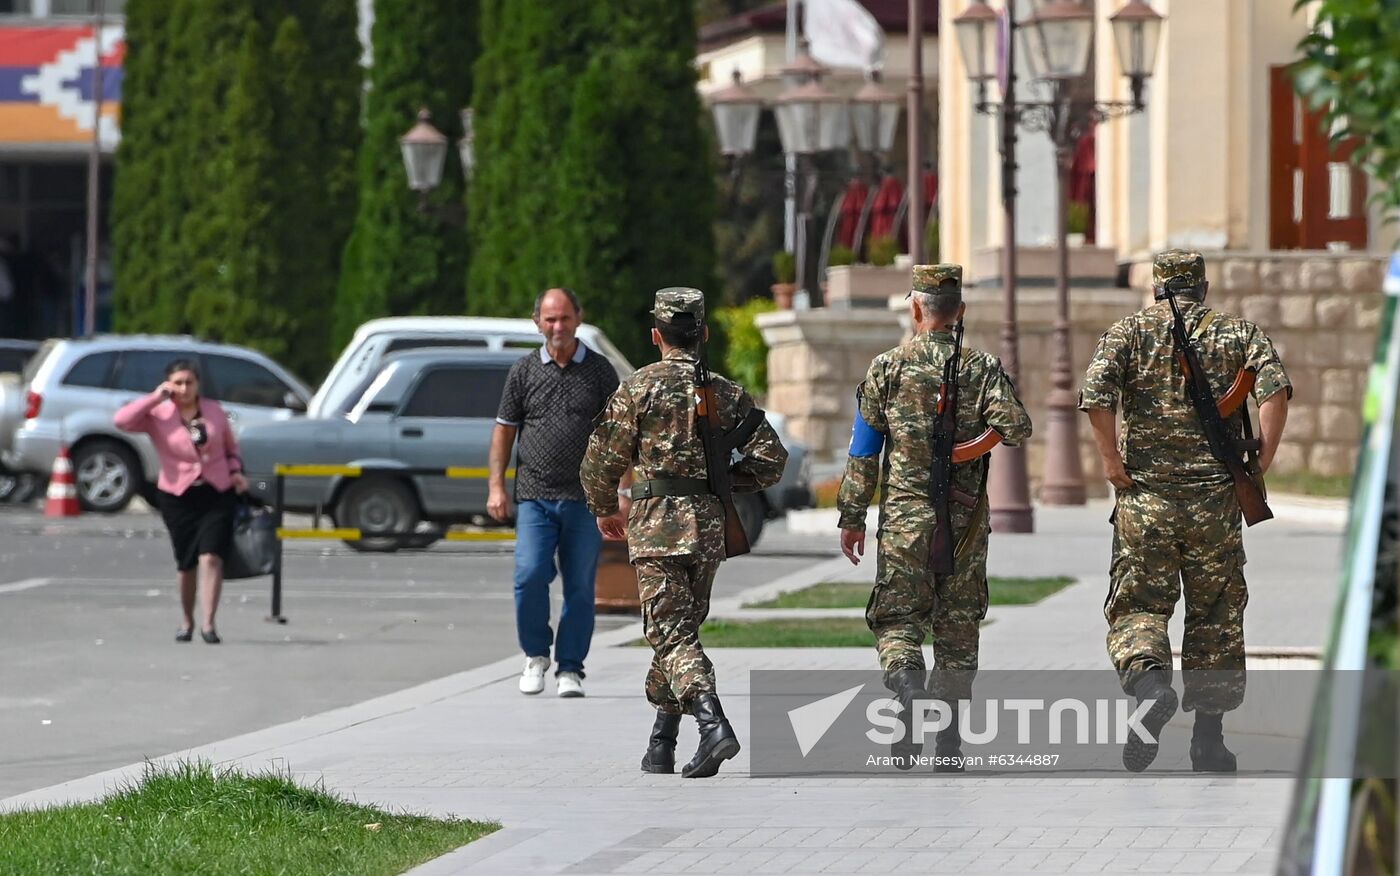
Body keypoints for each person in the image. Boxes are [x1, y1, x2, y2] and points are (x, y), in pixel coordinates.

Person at [1079, 249, 1290, 773]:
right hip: (1214, 503)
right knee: (1216, 617)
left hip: (1144, 500)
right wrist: (1264, 454)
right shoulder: (1237, 332)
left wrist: (1111, 460)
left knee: (1140, 608)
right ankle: (1208, 741)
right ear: (1203, 286)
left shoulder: (1126, 333)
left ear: (1155, 286)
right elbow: (1274, 389)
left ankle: (1150, 684)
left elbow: (1096, 396)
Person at [580, 287, 787, 778]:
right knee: (679, 631)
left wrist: (604, 507)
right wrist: (723, 483)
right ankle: (662, 743)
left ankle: (713, 724)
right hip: (708, 528)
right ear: (705, 333)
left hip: (656, 528)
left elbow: (599, 462)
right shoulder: (725, 393)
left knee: (668, 633)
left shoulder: (638, 387)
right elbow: (771, 460)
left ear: (657, 335)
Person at [836, 264, 1031, 771]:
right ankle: (947, 742)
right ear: (960, 311)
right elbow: (1016, 424)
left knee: (898, 621)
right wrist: (973, 449)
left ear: (916, 309)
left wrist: (852, 516)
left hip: (904, 517)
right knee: (958, 627)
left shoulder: (887, 367)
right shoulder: (982, 367)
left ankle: (905, 691)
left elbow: (864, 451)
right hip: (964, 521)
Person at [489, 287, 622, 698]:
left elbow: (618, 436)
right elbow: (504, 432)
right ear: (537, 323)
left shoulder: (600, 372)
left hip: (586, 501)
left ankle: (570, 669)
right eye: (550, 319)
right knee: (529, 576)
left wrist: (623, 491)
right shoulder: (524, 372)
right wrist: (496, 486)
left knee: (580, 587)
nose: (558, 327)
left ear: (578, 318)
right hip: (535, 496)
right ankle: (535, 655)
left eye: (564, 318)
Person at [114, 359, 248, 643]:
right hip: (178, 494)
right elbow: (122, 421)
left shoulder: (214, 411)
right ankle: (187, 620)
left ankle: (209, 624)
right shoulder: (159, 413)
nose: (184, 388)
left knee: (211, 557)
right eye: (178, 382)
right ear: (169, 384)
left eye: (189, 382)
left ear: (198, 384)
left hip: (216, 490)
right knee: (186, 563)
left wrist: (236, 472)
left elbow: (230, 448)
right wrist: (155, 397)